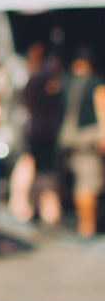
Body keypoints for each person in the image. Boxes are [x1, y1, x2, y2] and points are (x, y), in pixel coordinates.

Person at [7, 42, 63, 226]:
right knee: (41, 170)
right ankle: (42, 209)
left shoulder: (30, 77)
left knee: (33, 167)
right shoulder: (44, 77)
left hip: (32, 129)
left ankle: (29, 206)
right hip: (43, 131)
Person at [57, 47, 105, 238]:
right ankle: (87, 226)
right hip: (88, 139)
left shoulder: (64, 82)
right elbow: (102, 110)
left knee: (78, 182)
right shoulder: (96, 83)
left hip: (67, 139)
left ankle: (82, 224)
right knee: (88, 183)